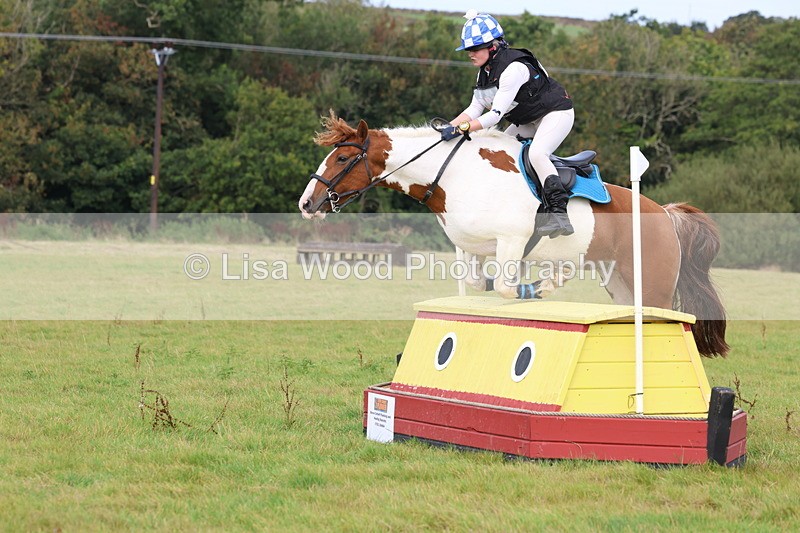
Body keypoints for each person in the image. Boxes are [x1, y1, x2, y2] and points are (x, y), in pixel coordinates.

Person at [441, 10, 575, 238]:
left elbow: (494, 116)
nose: (470, 55)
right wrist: (445, 128)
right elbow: (474, 109)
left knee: (537, 154)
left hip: (556, 114)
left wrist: (461, 129)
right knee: (500, 151)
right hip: (528, 120)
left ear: (492, 47)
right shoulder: (484, 72)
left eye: (474, 49)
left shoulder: (513, 68)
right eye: (468, 51)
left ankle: (559, 214)